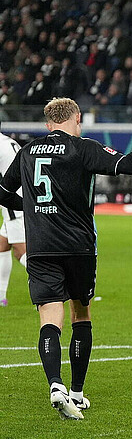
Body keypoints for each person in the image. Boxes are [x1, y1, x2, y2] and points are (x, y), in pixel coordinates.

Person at [0, 98, 132, 419]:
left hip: (40, 246)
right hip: (78, 246)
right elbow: (127, 165)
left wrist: (24, 203)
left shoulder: (28, 152)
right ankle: (78, 392)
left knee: (49, 316)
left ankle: (55, 384)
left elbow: (0, 189)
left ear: (47, 124)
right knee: (80, 314)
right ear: (77, 118)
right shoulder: (83, 148)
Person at [0, 126, 27, 307]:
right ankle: (1, 295)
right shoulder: (7, 141)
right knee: (2, 246)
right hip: (22, 195)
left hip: (13, 202)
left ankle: (59, 283)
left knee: (21, 252)